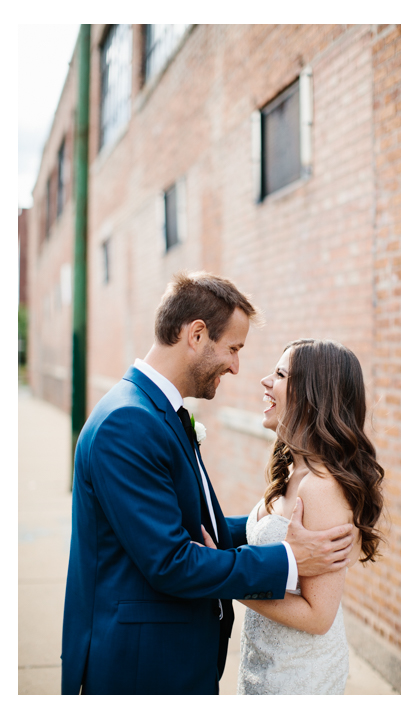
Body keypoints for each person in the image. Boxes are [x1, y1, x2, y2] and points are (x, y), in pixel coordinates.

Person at [61, 271, 357, 695]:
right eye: (234, 348)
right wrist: (290, 559)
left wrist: (266, 529)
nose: (237, 366)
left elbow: (187, 523)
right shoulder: (128, 422)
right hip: (140, 667)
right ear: (197, 335)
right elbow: (170, 561)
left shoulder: (154, 412)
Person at [207, 339, 384, 694]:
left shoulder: (321, 489)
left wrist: (222, 575)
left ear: (312, 393)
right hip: (266, 662)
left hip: (299, 677)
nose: (265, 381)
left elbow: (319, 616)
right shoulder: (293, 468)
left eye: (280, 374)